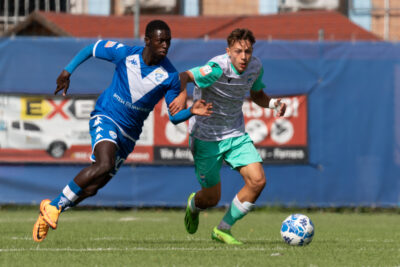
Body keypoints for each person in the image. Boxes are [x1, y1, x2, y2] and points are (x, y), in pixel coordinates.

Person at [32, 20, 212, 242]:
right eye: (160, 40)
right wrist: (67, 70)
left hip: (129, 135)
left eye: (168, 41)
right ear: (147, 40)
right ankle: (54, 208)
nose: (165, 45)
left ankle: (51, 207)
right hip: (106, 116)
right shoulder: (125, 54)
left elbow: (174, 117)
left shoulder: (170, 76)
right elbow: (92, 48)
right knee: (103, 164)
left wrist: (192, 110)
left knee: (92, 189)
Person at [179, 28, 286, 245]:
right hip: (206, 137)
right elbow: (184, 76)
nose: (244, 57)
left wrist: (274, 104)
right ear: (228, 51)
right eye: (238, 51)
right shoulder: (217, 68)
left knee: (258, 181)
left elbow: (256, 94)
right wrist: (182, 98)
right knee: (211, 198)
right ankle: (194, 205)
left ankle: (222, 229)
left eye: (247, 51)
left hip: (236, 134)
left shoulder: (255, 67)